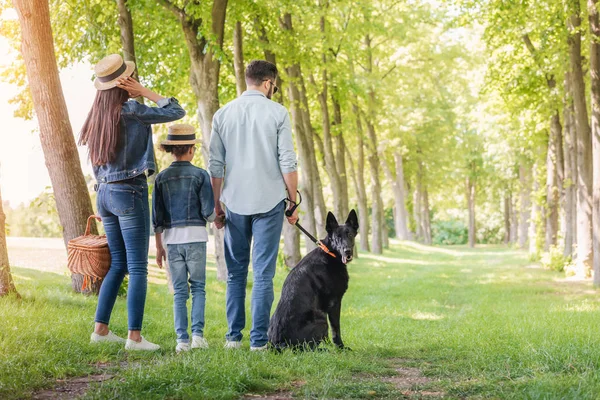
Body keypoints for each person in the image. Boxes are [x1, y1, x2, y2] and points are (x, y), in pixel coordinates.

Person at [81, 54, 185, 351]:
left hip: (104, 195)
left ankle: (100, 330)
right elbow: (176, 110)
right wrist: (146, 92)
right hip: (129, 192)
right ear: (124, 83)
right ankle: (134, 338)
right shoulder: (132, 110)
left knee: (119, 264)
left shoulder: (96, 117)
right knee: (138, 266)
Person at [208, 60, 299, 351]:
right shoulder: (278, 112)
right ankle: (258, 342)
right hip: (269, 201)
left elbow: (215, 165)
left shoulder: (222, 114)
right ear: (269, 83)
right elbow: (287, 160)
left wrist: (217, 206)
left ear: (248, 80)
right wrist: (293, 201)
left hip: (234, 202)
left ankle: (233, 339)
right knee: (263, 274)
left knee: (236, 274)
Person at [152, 124, 216, 353]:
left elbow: (157, 218)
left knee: (180, 292)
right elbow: (209, 211)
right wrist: (219, 218)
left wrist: (159, 247)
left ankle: (182, 341)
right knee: (198, 288)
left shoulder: (161, 178)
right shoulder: (200, 175)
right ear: (191, 149)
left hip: (171, 241)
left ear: (172, 150)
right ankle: (198, 336)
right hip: (197, 238)